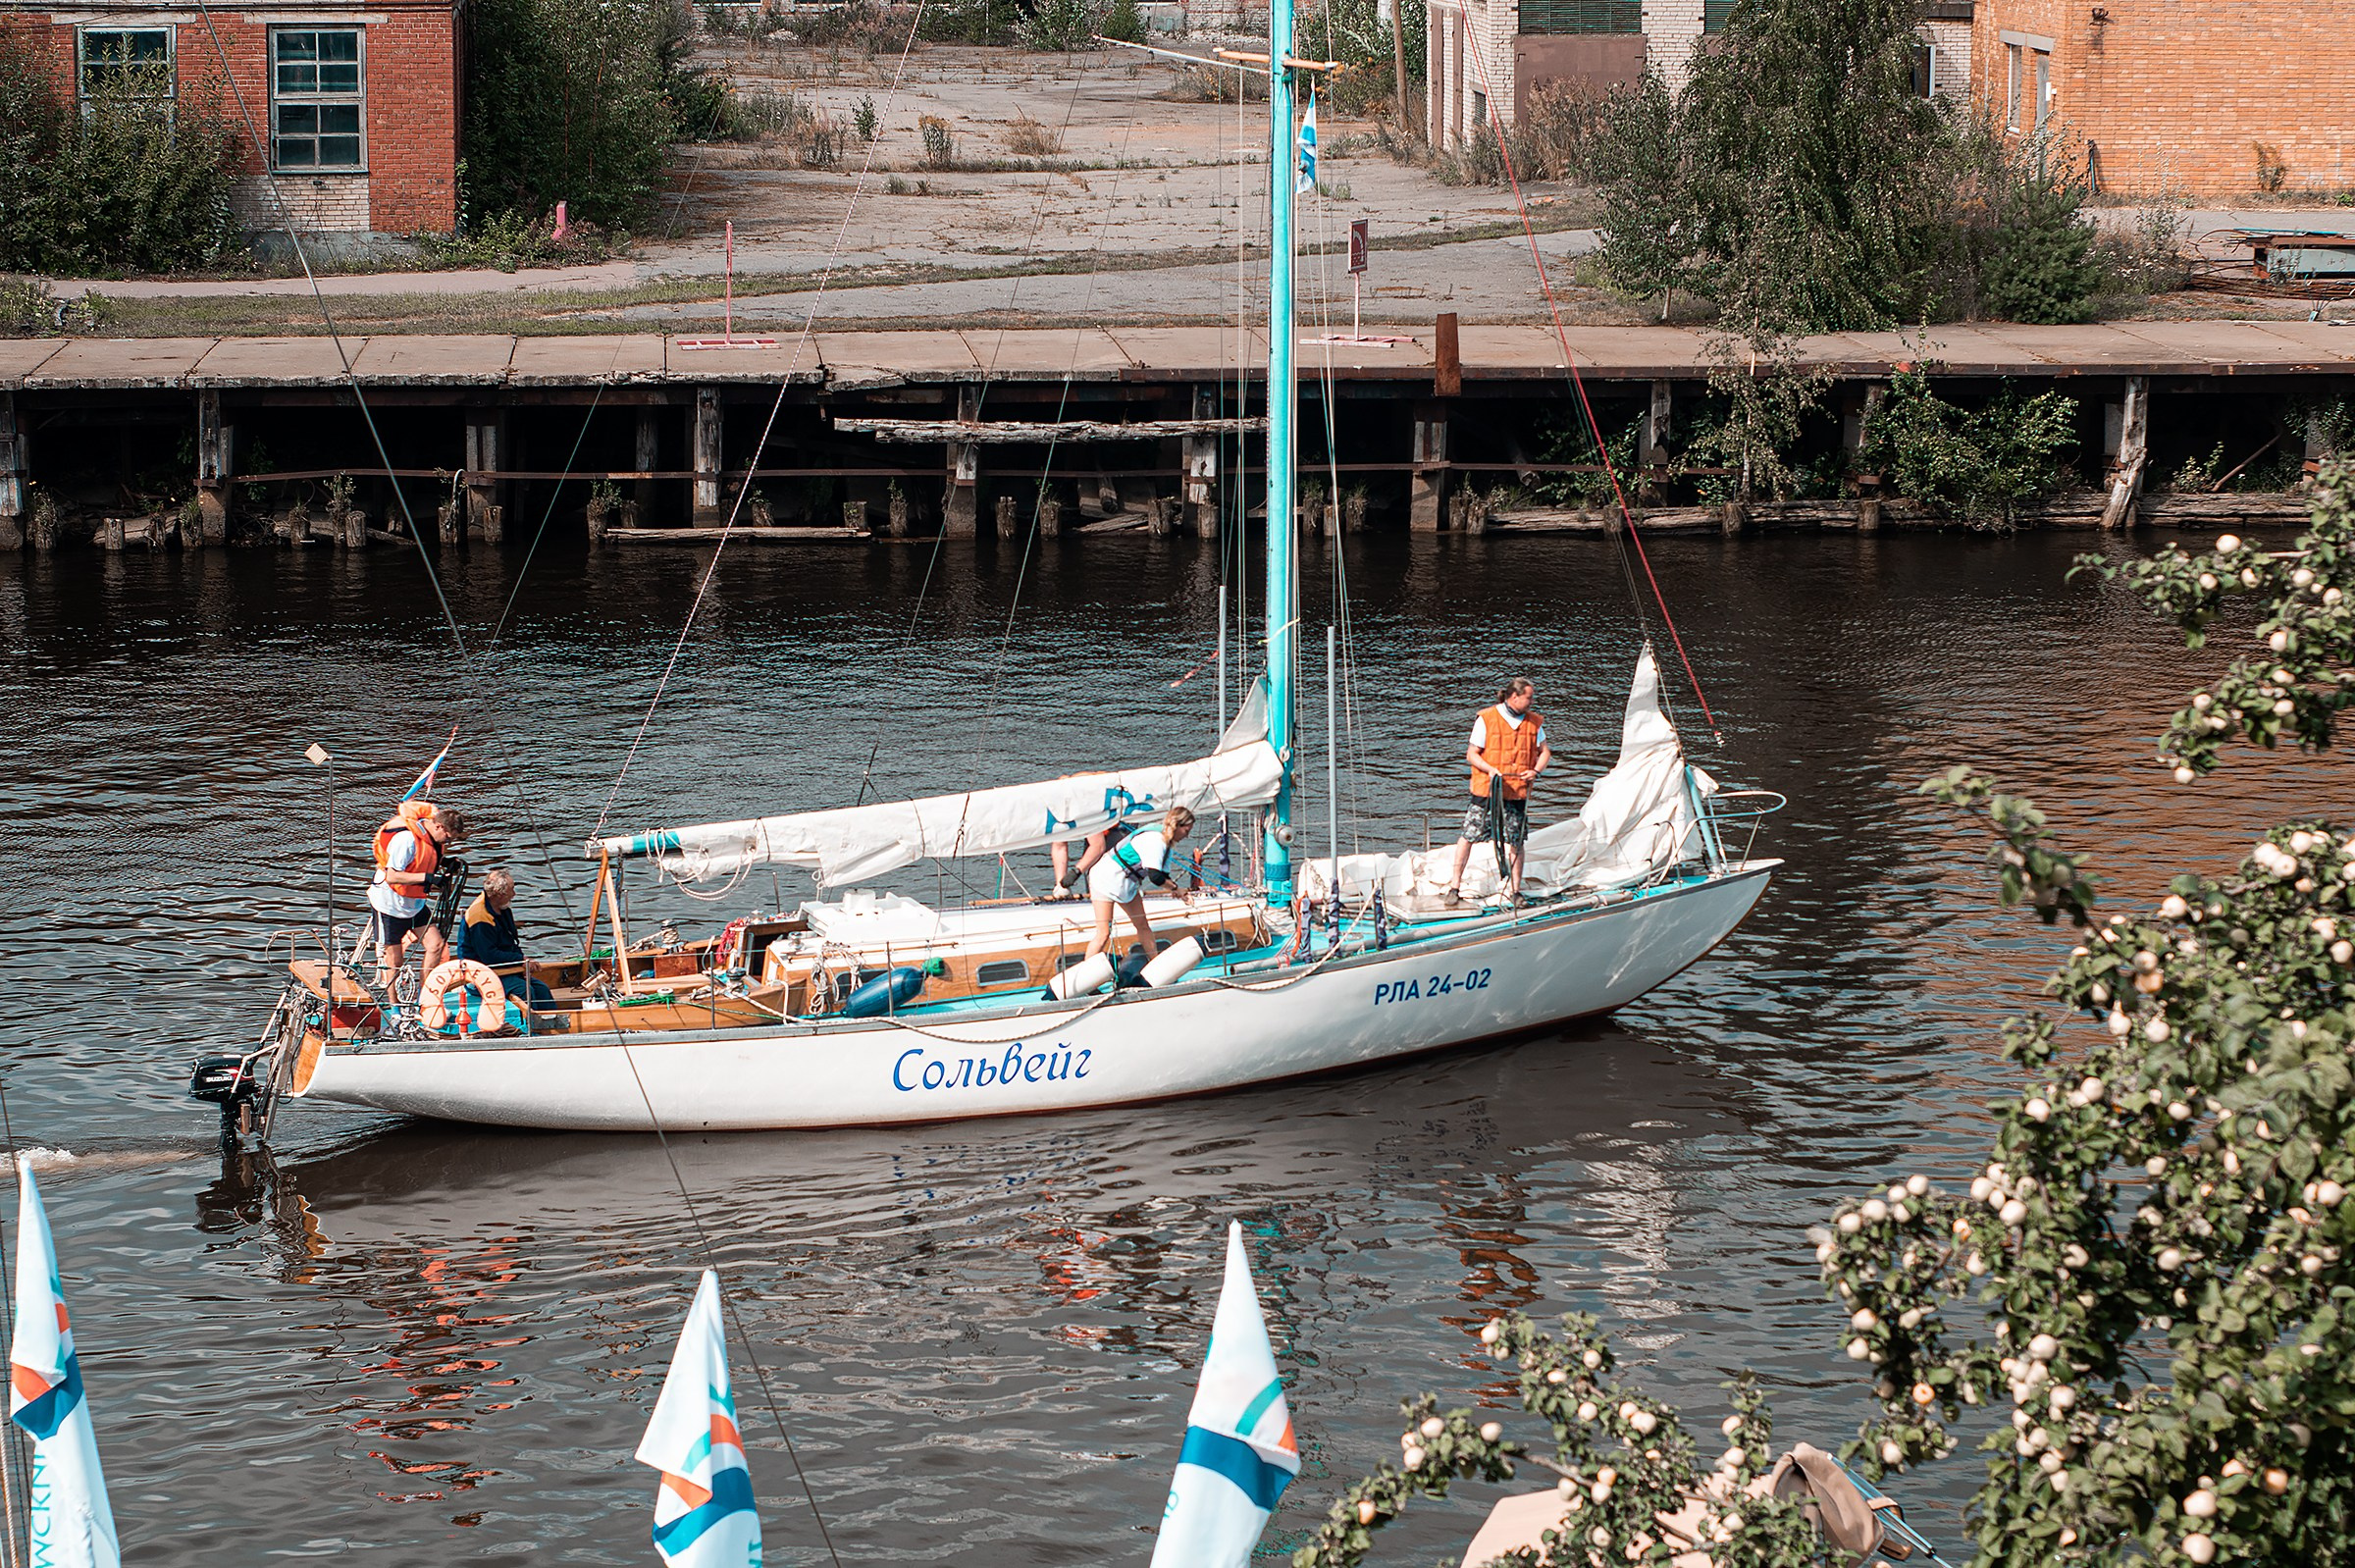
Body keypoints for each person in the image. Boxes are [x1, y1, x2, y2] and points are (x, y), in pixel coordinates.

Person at [1441, 678, 1549, 905]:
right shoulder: (1487, 719)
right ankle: (1454, 886)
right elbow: (1472, 754)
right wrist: (1490, 769)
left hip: (1517, 791)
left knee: (1516, 840)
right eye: (1528, 697)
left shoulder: (1534, 722)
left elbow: (1545, 752)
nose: (1532, 702)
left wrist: (1535, 771)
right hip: (1486, 792)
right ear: (1514, 697)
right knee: (1469, 835)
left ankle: (1515, 889)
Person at [368, 801, 466, 984]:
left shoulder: (433, 838)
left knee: (436, 945)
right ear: (439, 826)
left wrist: (446, 862)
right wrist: (428, 878)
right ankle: (395, 1006)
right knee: (394, 961)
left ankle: (425, 997)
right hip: (390, 904)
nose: (448, 843)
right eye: (448, 839)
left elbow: (424, 857)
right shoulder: (406, 840)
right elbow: (392, 877)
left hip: (414, 904)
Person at [1084, 806, 1195, 964]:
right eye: (1186, 830)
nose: (1187, 835)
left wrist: (1179, 891)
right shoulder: (1156, 839)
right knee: (1103, 932)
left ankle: (1155, 964)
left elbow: (1164, 875)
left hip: (1127, 882)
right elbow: (1155, 877)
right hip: (1106, 877)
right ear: (1177, 825)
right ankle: (1086, 972)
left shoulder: (1167, 841)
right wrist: (1177, 889)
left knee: (1143, 925)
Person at [450, 867, 553, 1003]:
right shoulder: (480, 917)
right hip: (479, 974)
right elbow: (488, 956)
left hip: (502, 969)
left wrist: (521, 963)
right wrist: (519, 959)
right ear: (500, 894)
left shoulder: (502, 909)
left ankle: (550, 1020)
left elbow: (511, 942)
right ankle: (530, 1022)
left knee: (542, 990)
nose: (514, 894)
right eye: (511, 889)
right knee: (524, 990)